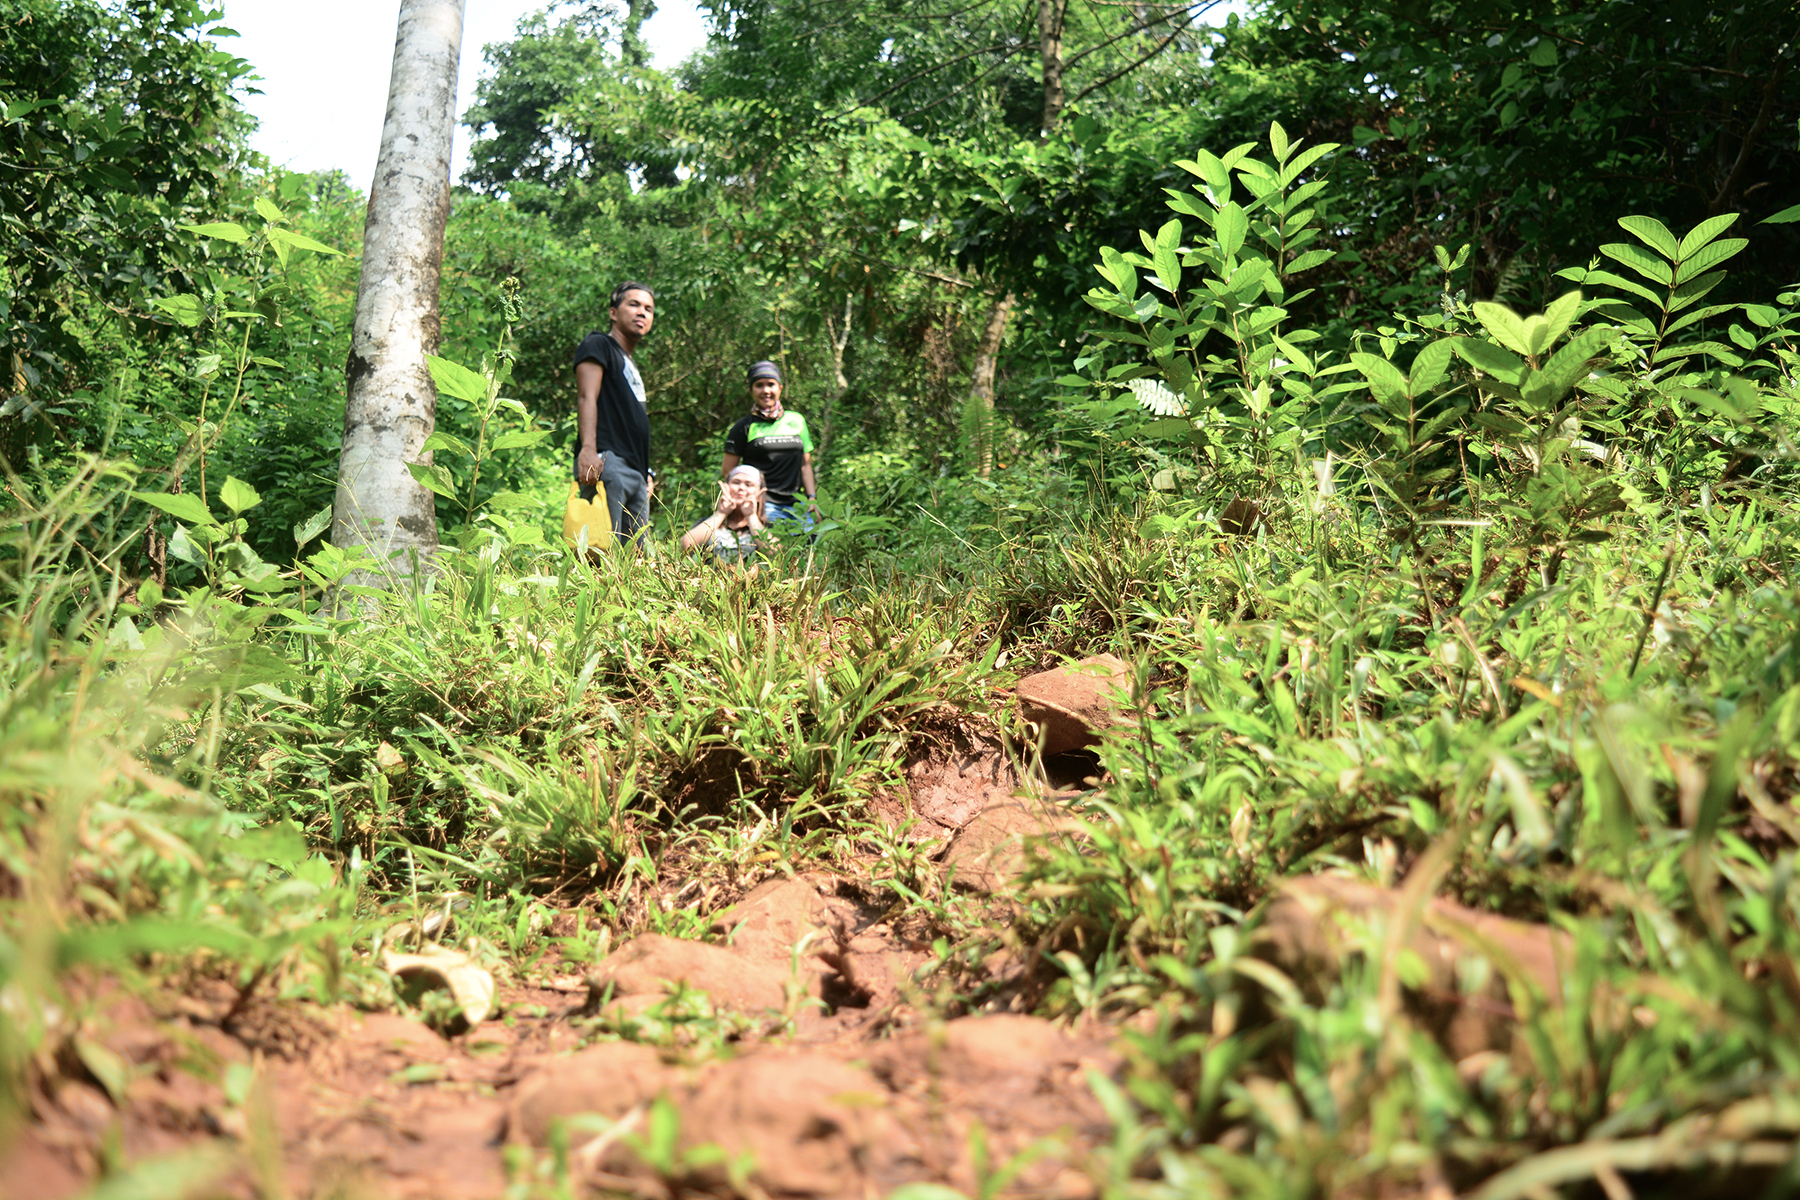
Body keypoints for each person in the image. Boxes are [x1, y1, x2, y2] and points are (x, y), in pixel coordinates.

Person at [572, 282, 656, 546]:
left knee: (635, 558)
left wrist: (647, 471)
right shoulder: (599, 344)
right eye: (633, 304)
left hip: (637, 473)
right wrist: (587, 450)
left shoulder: (630, 364)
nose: (642, 312)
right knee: (601, 549)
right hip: (607, 463)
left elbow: (632, 420)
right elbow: (587, 397)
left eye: (648, 308)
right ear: (613, 312)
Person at [721, 360, 817, 528]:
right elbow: (728, 472)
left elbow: (805, 465)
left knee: (809, 546)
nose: (766, 390)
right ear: (751, 390)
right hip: (763, 505)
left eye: (771, 384)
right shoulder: (743, 427)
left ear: (780, 388)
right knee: (772, 551)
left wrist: (812, 498)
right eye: (759, 385)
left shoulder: (797, 420)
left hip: (797, 504)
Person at [680, 464, 768, 564]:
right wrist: (720, 514)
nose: (741, 488)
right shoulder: (709, 522)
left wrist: (751, 517)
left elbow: (772, 552)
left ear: (759, 492)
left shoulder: (765, 527)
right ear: (726, 487)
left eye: (749, 484)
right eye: (736, 482)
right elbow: (686, 546)